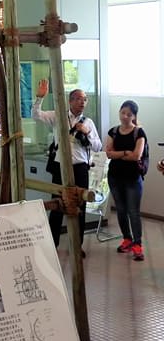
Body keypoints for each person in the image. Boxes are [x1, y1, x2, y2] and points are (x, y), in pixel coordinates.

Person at [32, 78, 102, 252]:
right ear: (70, 101)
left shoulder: (88, 122)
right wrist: (40, 97)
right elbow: (36, 115)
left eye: (84, 99)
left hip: (80, 168)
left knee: (80, 205)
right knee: (57, 204)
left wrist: (87, 132)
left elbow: (98, 146)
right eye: (78, 99)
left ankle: (77, 245)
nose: (82, 102)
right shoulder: (58, 116)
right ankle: (52, 244)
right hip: (60, 166)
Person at [105, 99, 146, 261]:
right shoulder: (113, 132)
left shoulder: (139, 133)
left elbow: (137, 156)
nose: (125, 116)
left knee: (133, 212)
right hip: (115, 177)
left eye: (129, 114)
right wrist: (125, 153)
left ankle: (137, 245)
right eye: (123, 113)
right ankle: (127, 239)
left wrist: (119, 154)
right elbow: (108, 153)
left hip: (133, 178)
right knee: (121, 210)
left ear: (134, 116)